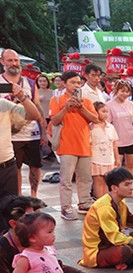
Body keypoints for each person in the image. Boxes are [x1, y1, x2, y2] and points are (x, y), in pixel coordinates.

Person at [49, 71, 99, 220]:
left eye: (78, 83)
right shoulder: (57, 99)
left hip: (84, 144)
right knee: (66, 180)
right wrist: (65, 107)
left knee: (85, 178)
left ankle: (84, 202)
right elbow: (55, 121)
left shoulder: (86, 101)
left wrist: (81, 107)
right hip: (66, 146)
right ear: (64, 83)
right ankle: (66, 207)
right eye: (73, 82)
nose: (77, 85)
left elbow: (95, 119)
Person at [1, 49, 47, 198]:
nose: (14, 63)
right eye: (10, 60)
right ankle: (19, 196)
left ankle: (34, 197)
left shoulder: (29, 83)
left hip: (31, 131)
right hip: (11, 135)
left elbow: (38, 108)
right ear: (2, 62)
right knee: (16, 167)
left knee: (35, 166)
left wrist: (44, 132)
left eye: (16, 60)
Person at [0, 80, 39, 199]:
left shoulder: (3, 104)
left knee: (8, 210)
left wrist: (22, 96)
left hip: (6, 166)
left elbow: (34, 115)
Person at [106, 80, 133, 176]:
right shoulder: (109, 105)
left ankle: (128, 186)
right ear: (116, 91)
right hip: (117, 142)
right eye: (122, 91)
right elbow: (107, 124)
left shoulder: (130, 104)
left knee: (129, 167)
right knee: (116, 167)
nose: (125, 94)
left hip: (131, 139)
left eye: (127, 92)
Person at [89, 102, 120, 198]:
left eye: (107, 112)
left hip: (109, 159)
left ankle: (106, 201)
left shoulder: (110, 127)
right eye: (103, 111)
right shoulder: (91, 127)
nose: (106, 114)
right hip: (96, 159)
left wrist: (117, 158)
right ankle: (99, 201)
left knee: (107, 181)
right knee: (98, 181)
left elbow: (114, 143)